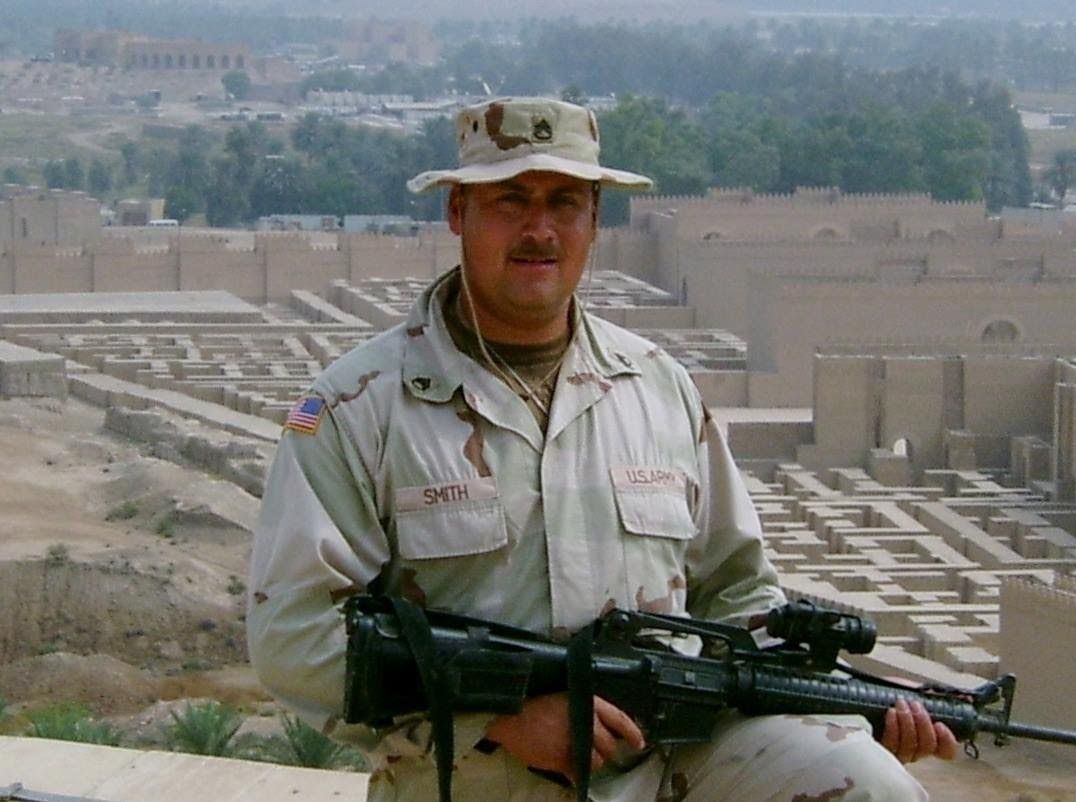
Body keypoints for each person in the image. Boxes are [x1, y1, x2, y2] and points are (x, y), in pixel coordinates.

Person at [246, 96, 957, 802]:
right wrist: (496, 720)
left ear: (595, 220)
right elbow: (295, 634)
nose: (539, 230)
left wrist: (841, 704)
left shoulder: (658, 388)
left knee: (869, 786)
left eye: (565, 203)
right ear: (458, 212)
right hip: (475, 780)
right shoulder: (359, 407)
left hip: (662, 769)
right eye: (510, 201)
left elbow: (738, 594)